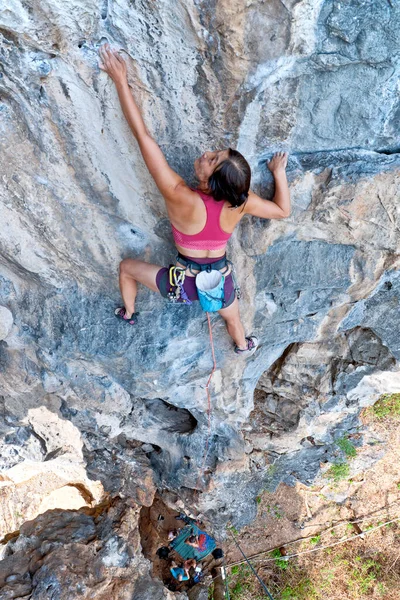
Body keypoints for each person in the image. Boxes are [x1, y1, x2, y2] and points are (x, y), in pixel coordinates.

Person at [99, 44, 291, 356]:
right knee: (232, 317)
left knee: (126, 268)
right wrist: (279, 173)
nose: (205, 154)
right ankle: (243, 346)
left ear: (209, 181)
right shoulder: (239, 202)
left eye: (211, 159)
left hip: (182, 284)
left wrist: (120, 80)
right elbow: (283, 211)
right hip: (220, 281)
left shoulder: (180, 196)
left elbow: (143, 138)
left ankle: (130, 314)